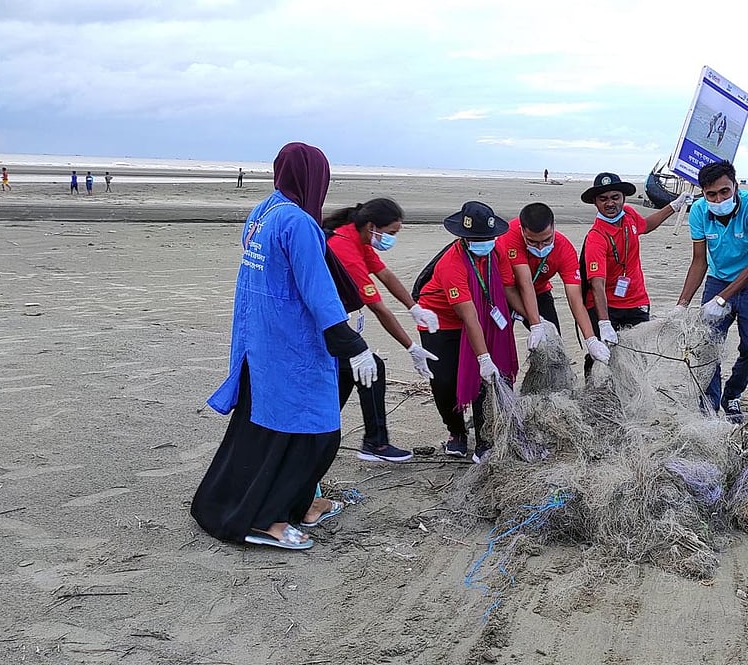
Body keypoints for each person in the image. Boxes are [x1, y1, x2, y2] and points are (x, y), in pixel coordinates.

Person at [191, 142, 376, 551]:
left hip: (261, 338)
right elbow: (318, 291)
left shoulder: (263, 213)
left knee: (263, 425)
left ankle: (305, 505)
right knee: (315, 432)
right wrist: (352, 344)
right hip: (292, 344)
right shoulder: (298, 223)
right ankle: (265, 520)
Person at [323, 198, 443, 462]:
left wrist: (415, 308)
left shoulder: (357, 237)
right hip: (322, 325)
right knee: (368, 368)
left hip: (331, 321)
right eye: (391, 233)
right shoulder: (344, 248)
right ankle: (375, 445)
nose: (392, 239)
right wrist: (411, 348)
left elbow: (386, 275)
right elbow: (379, 308)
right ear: (371, 227)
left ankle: (327, 438)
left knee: (349, 375)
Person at [415, 201, 520, 463]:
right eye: (477, 239)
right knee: (444, 381)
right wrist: (484, 359)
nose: (484, 243)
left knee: (484, 382)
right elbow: (468, 315)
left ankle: (484, 439)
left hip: (481, 314)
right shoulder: (451, 264)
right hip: (440, 321)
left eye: (489, 237)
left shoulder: (497, 253)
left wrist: (534, 320)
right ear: (463, 237)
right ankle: (456, 431)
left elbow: (508, 289)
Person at [675, 160, 748, 421]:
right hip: (718, 279)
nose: (718, 199)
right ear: (703, 193)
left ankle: (732, 395)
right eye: (711, 194)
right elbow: (699, 261)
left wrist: (721, 299)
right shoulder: (698, 212)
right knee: (708, 345)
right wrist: (682, 304)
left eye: (724, 192)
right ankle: (708, 406)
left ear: (735, 187)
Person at [580, 172, 690, 373]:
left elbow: (645, 226)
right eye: (603, 199)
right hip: (607, 305)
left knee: (638, 358)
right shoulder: (596, 238)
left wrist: (674, 206)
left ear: (623, 198)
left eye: (615, 197)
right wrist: (604, 323)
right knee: (602, 357)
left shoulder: (629, 214)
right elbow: (597, 285)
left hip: (637, 301)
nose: (610, 204)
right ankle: (593, 395)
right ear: (595, 203)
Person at [497, 202, 609, 365]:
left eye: (547, 240)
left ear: (554, 227)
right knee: (499, 346)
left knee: (554, 344)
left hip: (539, 291)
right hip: (504, 291)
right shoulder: (509, 235)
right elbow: (523, 282)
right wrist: (536, 323)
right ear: (522, 230)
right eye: (533, 242)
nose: (541, 247)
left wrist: (591, 340)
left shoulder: (565, 250)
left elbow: (575, 300)